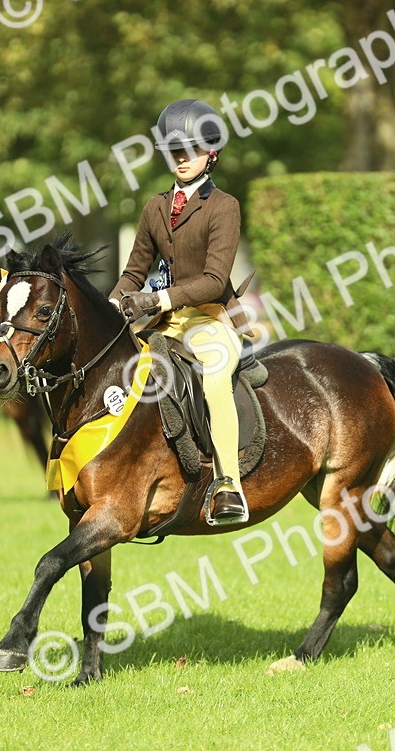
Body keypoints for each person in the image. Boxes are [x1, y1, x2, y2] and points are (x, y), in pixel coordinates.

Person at [109, 99, 253, 526]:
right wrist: (112, 305)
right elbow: (133, 272)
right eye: (173, 151)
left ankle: (228, 483)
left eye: (189, 149)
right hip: (166, 325)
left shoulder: (223, 206)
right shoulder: (155, 207)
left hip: (211, 318)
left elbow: (213, 279)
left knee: (215, 374)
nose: (180, 158)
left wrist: (158, 299)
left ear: (211, 153)